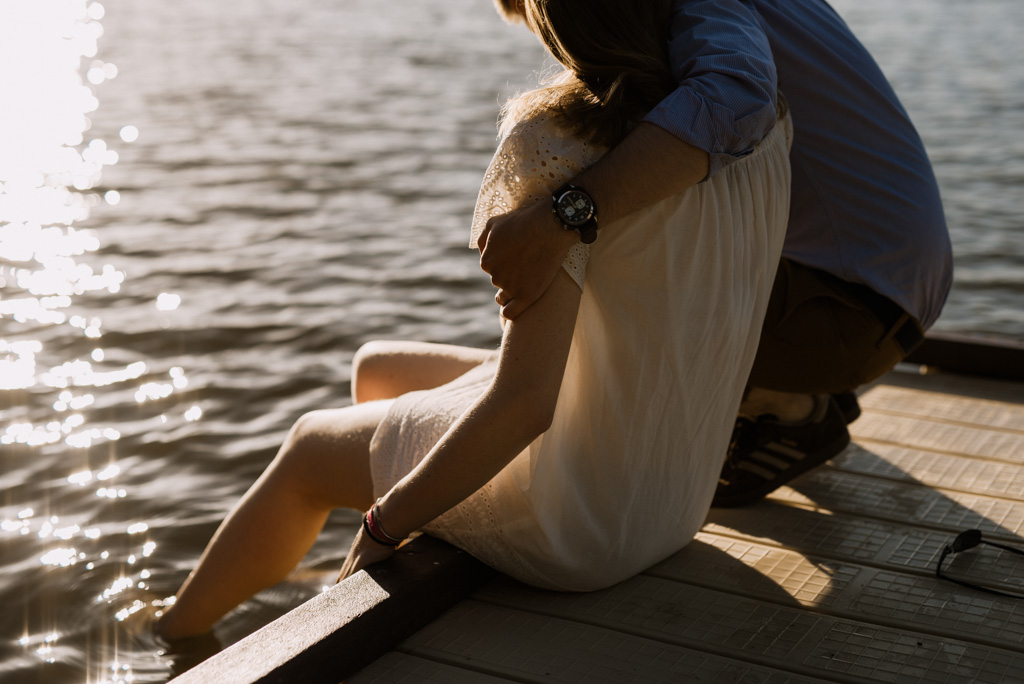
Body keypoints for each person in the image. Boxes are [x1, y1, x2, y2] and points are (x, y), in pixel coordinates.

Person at [154, 0, 792, 640]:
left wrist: (382, 525)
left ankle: (173, 639)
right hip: (677, 493)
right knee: (376, 369)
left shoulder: (560, 146)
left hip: (585, 522)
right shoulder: (762, 123)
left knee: (308, 447)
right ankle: (344, 569)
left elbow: (525, 405)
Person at [484, 0, 954, 507]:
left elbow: (737, 98)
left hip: (856, 310)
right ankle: (790, 388)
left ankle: (788, 404)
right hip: (889, 283)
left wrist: (563, 217)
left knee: (607, 254)